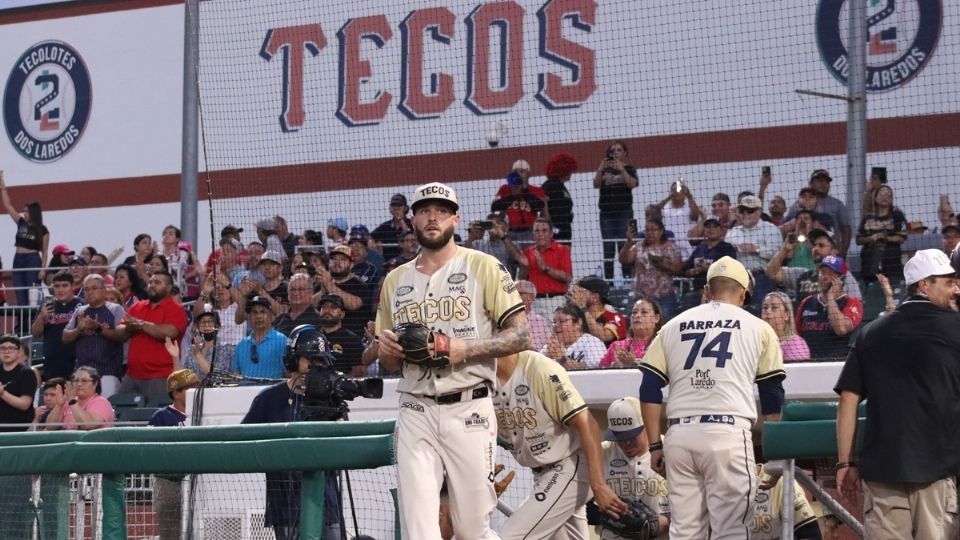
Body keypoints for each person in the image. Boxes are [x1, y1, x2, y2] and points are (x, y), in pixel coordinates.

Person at [368, 181, 529, 539]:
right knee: (419, 528)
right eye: (424, 210)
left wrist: (463, 349)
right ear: (412, 220)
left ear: (456, 219)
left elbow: (521, 335)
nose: (432, 217)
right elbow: (388, 361)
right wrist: (386, 351)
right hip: (415, 409)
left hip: (469, 405)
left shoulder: (484, 266)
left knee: (472, 528)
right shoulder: (395, 280)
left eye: (441, 210)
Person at [639, 256, 786, 539]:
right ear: (743, 293)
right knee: (730, 530)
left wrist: (655, 444)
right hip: (726, 435)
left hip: (680, 436)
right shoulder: (758, 327)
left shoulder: (673, 325)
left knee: (684, 531)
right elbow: (771, 395)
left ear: (707, 290)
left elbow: (649, 386)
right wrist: (775, 453)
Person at [835, 249, 960, 539]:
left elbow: (848, 400)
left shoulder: (870, 333)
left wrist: (845, 462)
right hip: (937, 472)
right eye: (949, 282)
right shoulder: (957, 329)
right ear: (924, 285)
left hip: (881, 473)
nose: (956, 289)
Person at [494, 350, 627, 538]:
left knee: (509, 536)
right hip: (542, 475)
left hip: (569, 467)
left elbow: (589, 424)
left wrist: (598, 485)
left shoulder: (540, 369)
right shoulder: (481, 375)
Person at [242, 326, 343, 540]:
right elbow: (243, 441)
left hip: (325, 504)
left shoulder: (330, 399)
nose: (315, 367)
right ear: (293, 360)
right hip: (285, 505)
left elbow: (343, 445)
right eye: (310, 360)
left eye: (320, 361)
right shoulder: (269, 400)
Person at [596, 398, 670, 539]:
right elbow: (579, 504)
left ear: (647, 425)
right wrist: (606, 516)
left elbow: (697, 501)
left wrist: (667, 522)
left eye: (631, 435)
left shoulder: (671, 449)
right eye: (619, 437)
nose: (626, 443)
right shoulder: (601, 453)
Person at [149, 368, 201, 540]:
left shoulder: (203, 412)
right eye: (190, 388)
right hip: (169, 482)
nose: (196, 391)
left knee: (199, 528)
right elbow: (152, 450)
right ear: (176, 393)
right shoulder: (162, 417)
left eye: (196, 387)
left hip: (200, 481)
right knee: (171, 531)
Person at [119, 271, 189, 396]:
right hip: (132, 375)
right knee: (121, 411)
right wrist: (130, 327)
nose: (151, 285)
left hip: (161, 376)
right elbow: (120, 331)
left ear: (168, 288)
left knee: (157, 412)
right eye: (150, 282)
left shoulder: (176, 309)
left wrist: (140, 324)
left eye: (157, 282)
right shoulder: (137, 307)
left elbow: (170, 332)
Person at [62, 275, 127, 397]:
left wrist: (98, 328)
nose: (90, 292)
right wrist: (79, 329)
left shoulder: (115, 309)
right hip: (81, 373)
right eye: (86, 289)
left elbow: (122, 336)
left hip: (108, 373)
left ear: (103, 290)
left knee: (105, 412)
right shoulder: (80, 311)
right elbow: (65, 337)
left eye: (94, 288)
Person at [795, 256, 863, 360]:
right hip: (808, 364)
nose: (824, 277)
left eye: (831, 274)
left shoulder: (852, 303)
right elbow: (796, 334)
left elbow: (841, 329)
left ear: (842, 279)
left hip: (837, 363)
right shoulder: (807, 302)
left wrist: (831, 298)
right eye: (822, 272)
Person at [766, 229, 861, 302]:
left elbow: (856, 303)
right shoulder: (803, 274)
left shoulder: (844, 276)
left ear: (834, 252)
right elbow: (771, 273)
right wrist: (785, 250)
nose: (815, 248)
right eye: (814, 245)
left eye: (821, 245)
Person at [725, 195, 782, 312]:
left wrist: (756, 249)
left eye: (750, 211)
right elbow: (725, 253)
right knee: (737, 311)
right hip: (739, 278)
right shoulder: (733, 232)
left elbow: (778, 254)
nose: (746, 214)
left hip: (763, 277)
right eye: (742, 210)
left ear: (759, 212)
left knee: (761, 311)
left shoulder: (770, 229)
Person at [0, 171, 49, 306]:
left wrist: (43, 269)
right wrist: (3, 188)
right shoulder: (20, 222)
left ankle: (32, 325)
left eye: (27, 211)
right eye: (24, 211)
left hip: (33, 260)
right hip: (18, 260)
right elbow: (8, 206)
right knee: (20, 295)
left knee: (32, 296)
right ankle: (22, 324)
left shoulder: (43, 230)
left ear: (34, 212)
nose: (24, 213)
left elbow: (45, 251)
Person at [593, 140, 639, 280]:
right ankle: (609, 281)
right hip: (607, 214)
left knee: (625, 246)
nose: (616, 153)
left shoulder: (630, 169)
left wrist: (621, 169)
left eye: (619, 150)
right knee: (608, 248)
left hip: (624, 213)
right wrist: (600, 169)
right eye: (613, 150)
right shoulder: (605, 170)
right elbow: (596, 184)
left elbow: (632, 184)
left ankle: (627, 279)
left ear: (625, 153)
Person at [620, 218, 682, 319]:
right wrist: (629, 242)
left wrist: (660, 264)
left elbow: (678, 269)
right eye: (647, 230)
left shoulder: (670, 247)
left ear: (661, 231)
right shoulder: (639, 246)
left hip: (664, 296)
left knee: (665, 323)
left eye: (653, 229)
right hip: (641, 296)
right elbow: (624, 260)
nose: (650, 233)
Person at [783, 170, 851, 257]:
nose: (824, 184)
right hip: (799, 251)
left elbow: (846, 229)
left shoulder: (837, 204)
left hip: (828, 251)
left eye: (827, 181)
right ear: (811, 183)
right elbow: (784, 227)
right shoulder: (797, 205)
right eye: (820, 181)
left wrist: (843, 251)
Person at [31, 271, 83, 381]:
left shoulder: (82, 305)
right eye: (57, 286)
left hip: (75, 361)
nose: (60, 290)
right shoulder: (47, 306)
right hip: (52, 362)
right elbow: (35, 333)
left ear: (72, 286)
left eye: (64, 285)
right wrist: (41, 316)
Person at [518, 217, 572, 319]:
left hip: (556, 302)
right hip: (535, 303)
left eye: (544, 231)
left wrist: (545, 267)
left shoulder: (562, 250)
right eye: (537, 231)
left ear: (551, 234)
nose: (540, 234)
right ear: (533, 234)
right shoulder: (527, 252)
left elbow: (568, 277)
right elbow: (522, 280)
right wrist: (524, 268)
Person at [680, 217, 736, 310]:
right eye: (708, 227)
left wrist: (707, 268)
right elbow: (686, 268)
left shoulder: (727, 248)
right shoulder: (700, 248)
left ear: (721, 231)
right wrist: (691, 271)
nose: (711, 229)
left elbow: (729, 269)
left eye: (715, 227)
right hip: (698, 291)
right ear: (704, 231)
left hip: (719, 293)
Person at [856, 184, 907, 283]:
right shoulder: (867, 218)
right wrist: (871, 239)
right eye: (882, 194)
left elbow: (902, 237)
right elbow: (858, 239)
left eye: (888, 195)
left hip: (891, 265)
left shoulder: (897, 215)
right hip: (869, 265)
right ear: (875, 198)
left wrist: (884, 237)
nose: (885, 197)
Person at [491, 159, 547, 245]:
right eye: (516, 171)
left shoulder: (536, 190)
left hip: (530, 232)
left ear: (529, 174)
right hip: (509, 232)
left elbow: (539, 207)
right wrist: (513, 195)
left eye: (522, 171)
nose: (519, 174)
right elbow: (494, 207)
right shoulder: (504, 189)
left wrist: (525, 190)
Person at [232, 295, 286, 379]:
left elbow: (289, 374)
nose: (258, 316)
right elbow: (235, 374)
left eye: (263, 312)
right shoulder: (241, 345)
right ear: (249, 318)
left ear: (271, 316)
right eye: (254, 313)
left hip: (272, 391)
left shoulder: (281, 340)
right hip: (245, 391)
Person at [45, 366, 116, 430]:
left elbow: (87, 425)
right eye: (76, 381)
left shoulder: (102, 403)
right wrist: (58, 406)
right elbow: (50, 427)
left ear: (95, 384)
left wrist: (72, 402)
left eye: (84, 381)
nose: (79, 384)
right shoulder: (67, 402)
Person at [599, 299, 663, 369]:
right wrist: (616, 367)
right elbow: (599, 373)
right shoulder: (617, 346)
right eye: (634, 312)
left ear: (656, 318)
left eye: (644, 312)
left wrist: (633, 364)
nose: (637, 315)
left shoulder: (662, 346)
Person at [542, 303, 607, 370]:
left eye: (561, 321)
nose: (556, 325)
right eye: (554, 321)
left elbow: (595, 370)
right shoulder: (551, 346)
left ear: (578, 323)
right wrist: (547, 356)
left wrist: (562, 359)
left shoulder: (593, 343)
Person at [567, 276, 627, 345]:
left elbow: (604, 336)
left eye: (579, 292)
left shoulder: (615, 317)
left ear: (595, 297)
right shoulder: (575, 316)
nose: (575, 296)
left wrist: (583, 308)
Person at [316, 294, 364, 377]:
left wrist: (339, 383)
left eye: (333, 307)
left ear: (342, 314)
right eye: (324, 307)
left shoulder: (351, 339)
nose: (327, 310)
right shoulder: (313, 336)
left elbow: (359, 371)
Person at [656, 179, 704, 259]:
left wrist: (689, 195)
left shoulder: (690, 207)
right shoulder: (665, 208)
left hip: (687, 250)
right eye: (674, 190)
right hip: (668, 249)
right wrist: (669, 197)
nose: (677, 192)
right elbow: (653, 213)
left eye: (680, 190)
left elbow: (695, 216)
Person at [0, 334, 37, 431]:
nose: (6, 351)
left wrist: (3, 393)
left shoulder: (27, 373)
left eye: (11, 348)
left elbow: (24, 404)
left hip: (19, 429)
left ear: (18, 352)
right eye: (2, 348)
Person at [761, 291, 810, 362]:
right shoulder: (756, 340)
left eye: (774, 307)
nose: (768, 311)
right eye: (765, 308)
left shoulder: (797, 345)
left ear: (786, 315)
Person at [541, 152, 578, 242]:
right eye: (570, 169)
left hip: (564, 228)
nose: (571, 172)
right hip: (556, 230)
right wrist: (552, 229)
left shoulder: (560, 186)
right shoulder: (551, 185)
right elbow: (543, 205)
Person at [371, 193, 413, 260]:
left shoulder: (412, 224)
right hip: (389, 265)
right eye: (394, 205)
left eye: (399, 205)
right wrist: (373, 245)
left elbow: (409, 236)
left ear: (405, 208)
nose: (396, 208)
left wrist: (401, 221)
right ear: (390, 209)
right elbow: (369, 237)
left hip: (409, 262)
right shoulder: (385, 226)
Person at [515, 280, 550, 351]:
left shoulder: (539, 322)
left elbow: (536, 350)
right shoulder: (501, 318)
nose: (512, 296)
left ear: (530, 298)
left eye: (518, 293)